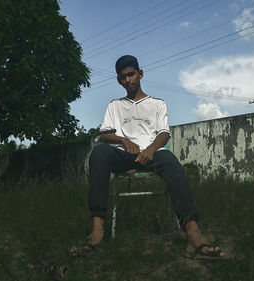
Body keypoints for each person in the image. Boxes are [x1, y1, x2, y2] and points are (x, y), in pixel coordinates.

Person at [74, 55, 223, 258]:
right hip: (123, 155)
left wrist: (151, 149)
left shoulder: (157, 104)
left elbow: (164, 133)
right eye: (122, 77)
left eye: (131, 74)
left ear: (140, 73)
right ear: (119, 80)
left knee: (171, 162)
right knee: (99, 152)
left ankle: (193, 234)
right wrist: (124, 141)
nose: (127, 80)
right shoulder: (115, 105)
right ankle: (97, 232)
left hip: (152, 154)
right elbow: (104, 133)